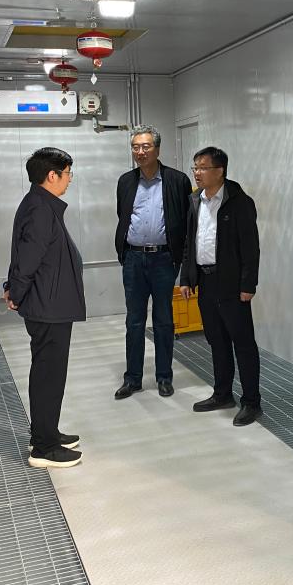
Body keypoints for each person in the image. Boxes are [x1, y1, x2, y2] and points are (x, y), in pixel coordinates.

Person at [4, 148, 86, 469]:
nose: (69, 179)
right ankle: (44, 448)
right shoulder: (40, 208)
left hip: (49, 303)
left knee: (48, 372)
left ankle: (46, 432)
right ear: (52, 175)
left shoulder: (39, 203)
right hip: (48, 306)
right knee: (48, 376)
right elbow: (28, 258)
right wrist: (15, 291)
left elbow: (25, 252)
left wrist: (14, 287)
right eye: (67, 173)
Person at [179, 147, 262, 426]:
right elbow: (189, 242)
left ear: (220, 171)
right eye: (195, 167)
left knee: (243, 343)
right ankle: (222, 394)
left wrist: (248, 284)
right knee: (216, 340)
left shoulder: (240, 202)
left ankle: (251, 402)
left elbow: (250, 248)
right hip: (205, 280)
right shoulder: (195, 200)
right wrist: (187, 278)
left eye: (203, 167)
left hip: (232, 284)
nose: (197, 173)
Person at [113, 125, 192, 399]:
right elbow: (123, 215)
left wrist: (182, 261)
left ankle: (164, 377)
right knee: (134, 320)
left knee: (163, 320)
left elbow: (185, 222)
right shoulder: (126, 181)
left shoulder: (177, 180)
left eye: (145, 146)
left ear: (157, 149)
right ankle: (133, 379)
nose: (140, 152)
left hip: (164, 259)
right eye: (135, 147)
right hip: (134, 258)